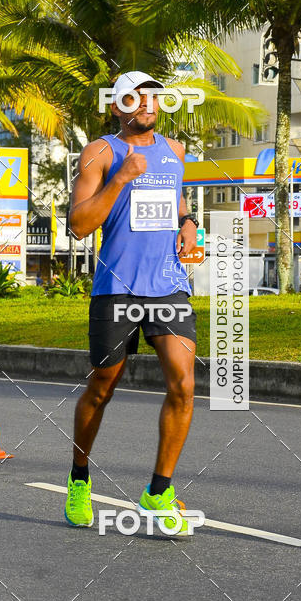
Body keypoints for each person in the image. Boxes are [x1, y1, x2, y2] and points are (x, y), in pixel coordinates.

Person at [64, 70, 198, 537]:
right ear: (119, 104)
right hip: (116, 289)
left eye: (152, 97)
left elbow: (176, 201)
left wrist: (188, 224)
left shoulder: (175, 151)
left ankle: (159, 490)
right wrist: (121, 177)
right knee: (102, 387)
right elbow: (79, 224)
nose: (147, 104)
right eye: (136, 98)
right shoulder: (101, 153)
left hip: (167, 286)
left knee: (184, 384)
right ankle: (79, 479)